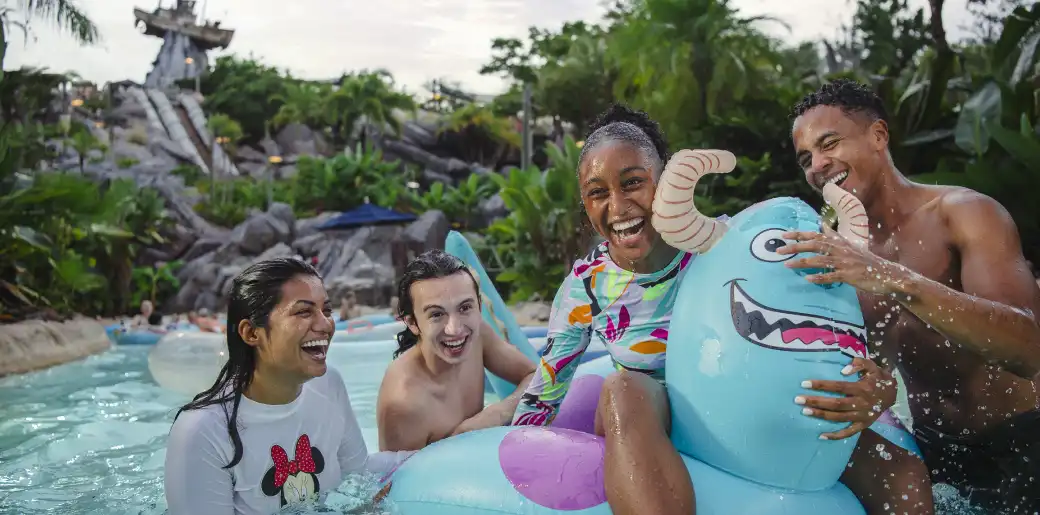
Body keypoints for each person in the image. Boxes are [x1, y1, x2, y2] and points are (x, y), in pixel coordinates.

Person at [510, 103, 934, 515]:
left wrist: (880, 389)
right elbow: (547, 389)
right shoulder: (585, 287)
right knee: (622, 391)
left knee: (905, 475)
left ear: (665, 181)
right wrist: (505, 455)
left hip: (755, 399)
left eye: (634, 183)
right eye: (598, 193)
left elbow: (822, 324)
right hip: (660, 415)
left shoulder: (724, 246)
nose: (618, 206)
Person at [785, 78, 1040, 513]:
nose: (818, 166)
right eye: (807, 158)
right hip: (935, 456)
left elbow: (1027, 347)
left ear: (878, 136)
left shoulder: (962, 214)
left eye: (830, 144)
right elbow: (873, 368)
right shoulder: (842, 254)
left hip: (1023, 441)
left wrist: (891, 277)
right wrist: (876, 390)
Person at [164, 258, 413, 515]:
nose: (326, 324)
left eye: (326, 310)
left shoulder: (328, 386)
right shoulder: (203, 432)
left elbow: (359, 476)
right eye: (304, 312)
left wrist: (436, 454)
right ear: (251, 333)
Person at [376, 250, 535, 451]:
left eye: (464, 308)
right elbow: (394, 480)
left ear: (478, 305)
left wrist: (495, 414)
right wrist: (462, 438)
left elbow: (536, 376)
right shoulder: (404, 404)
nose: (455, 329)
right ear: (412, 323)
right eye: (436, 314)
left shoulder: (479, 337)